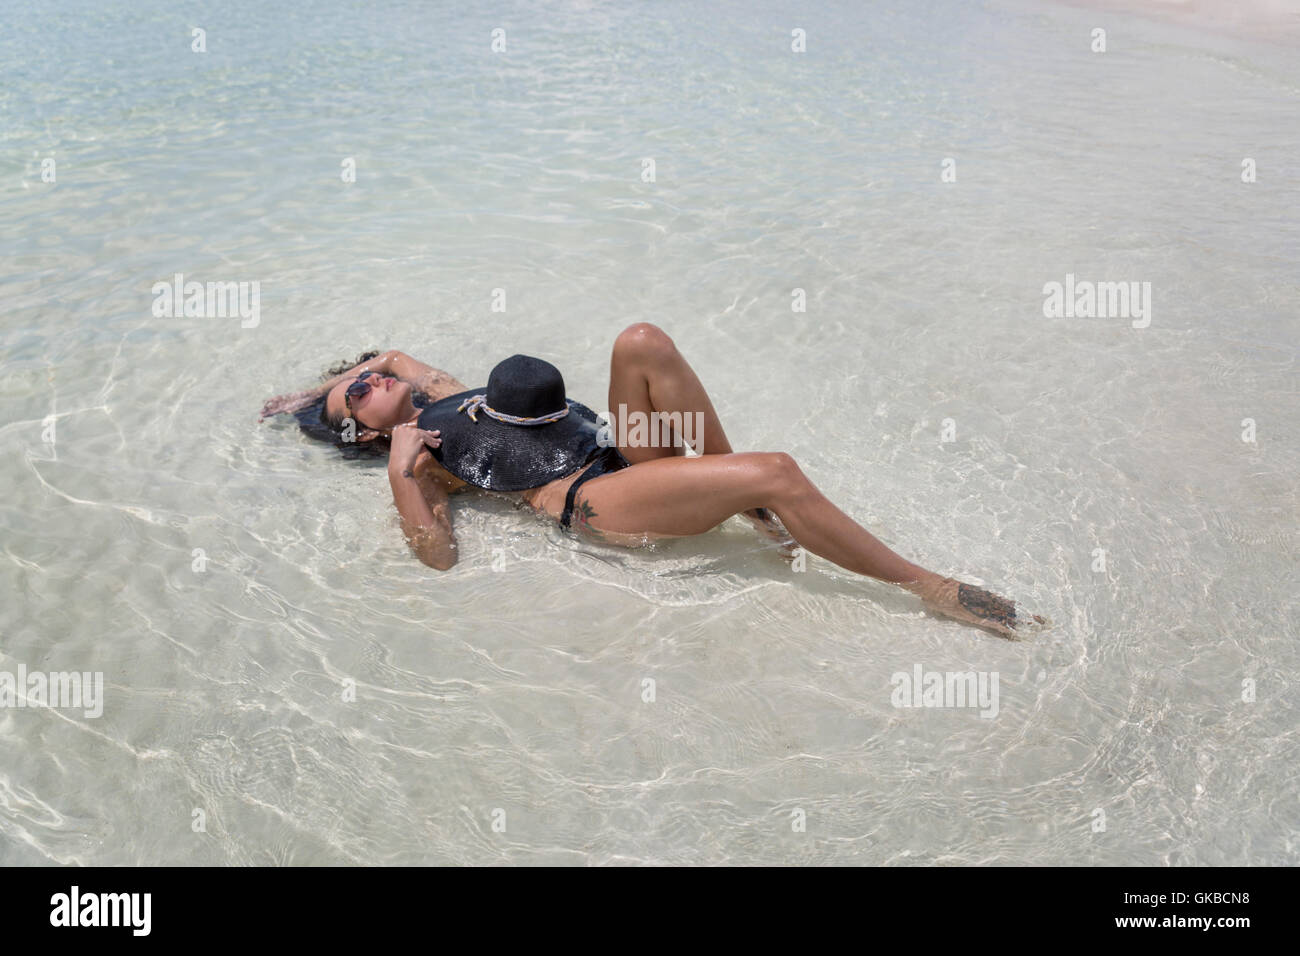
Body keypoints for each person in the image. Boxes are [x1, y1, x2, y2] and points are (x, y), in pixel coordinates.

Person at [260, 323, 1046, 638]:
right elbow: (436, 558)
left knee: (642, 342)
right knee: (776, 469)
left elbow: (394, 354)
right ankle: (927, 586)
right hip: (597, 503)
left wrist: (308, 396)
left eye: (363, 378)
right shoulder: (421, 458)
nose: (369, 381)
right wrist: (400, 475)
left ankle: (756, 512)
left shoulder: (447, 391)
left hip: (623, 458)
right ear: (362, 429)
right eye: (355, 395)